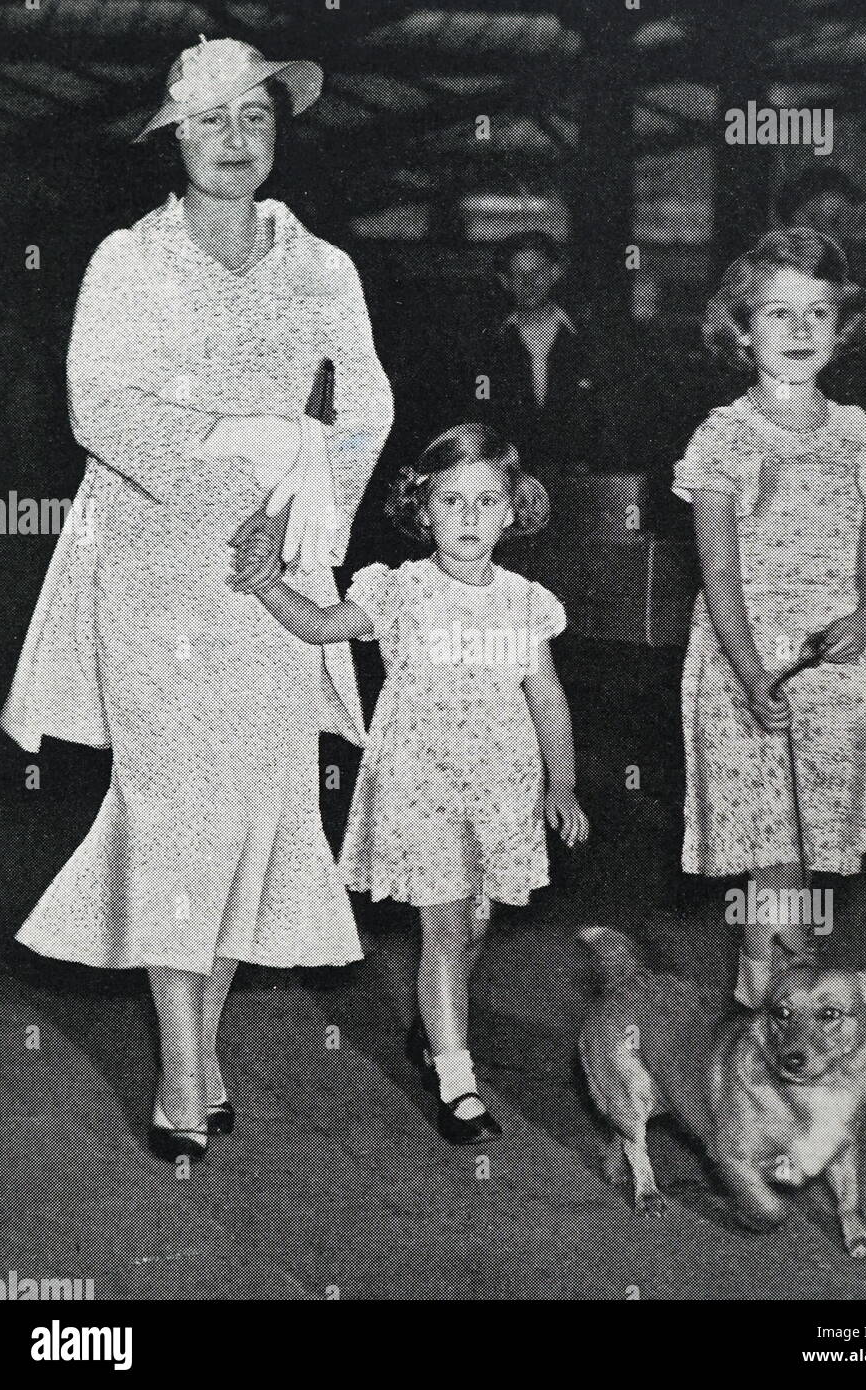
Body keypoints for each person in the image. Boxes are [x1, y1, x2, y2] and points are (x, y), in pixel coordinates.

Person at [0, 38, 394, 1162]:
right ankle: (180, 1066)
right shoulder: (130, 260)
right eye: (212, 120)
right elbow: (98, 406)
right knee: (176, 813)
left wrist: (302, 507)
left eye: (255, 120)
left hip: (276, 574)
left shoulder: (322, 267)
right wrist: (240, 467)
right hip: (160, 566)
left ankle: (202, 1037)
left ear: (277, 136)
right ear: (175, 138)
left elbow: (361, 407)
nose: (235, 140)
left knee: (258, 817)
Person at [228, 422, 589, 1143]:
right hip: (420, 786)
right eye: (451, 501)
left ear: (514, 511)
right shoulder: (398, 590)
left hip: (501, 790)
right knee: (446, 927)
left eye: (487, 502)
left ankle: (436, 1029)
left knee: (475, 924)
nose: (468, 518)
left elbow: (546, 697)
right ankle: (458, 1080)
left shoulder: (525, 601)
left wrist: (564, 785)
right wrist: (268, 585)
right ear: (422, 510)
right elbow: (324, 626)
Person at [672, 230, 866, 1007]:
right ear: (742, 330)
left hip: (836, 668)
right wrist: (751, 674)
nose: (801, 330)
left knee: (807, 849)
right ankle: (764, 1009)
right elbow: (719, 573)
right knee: (772, 848)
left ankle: (776, 1007)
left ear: (841, 328)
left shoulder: (861, 436)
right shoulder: (724, 437)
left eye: (818, 313)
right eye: (779, 314)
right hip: (746, 662)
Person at [468, 232, 604, 585]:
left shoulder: (588, 338)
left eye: (538, 272)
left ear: (556, 272)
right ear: (504, 281)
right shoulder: (489, 345)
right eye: (517, 275)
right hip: (512, 484)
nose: (528, 283)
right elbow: (482, 420)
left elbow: (604, 413)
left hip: (581, 484)